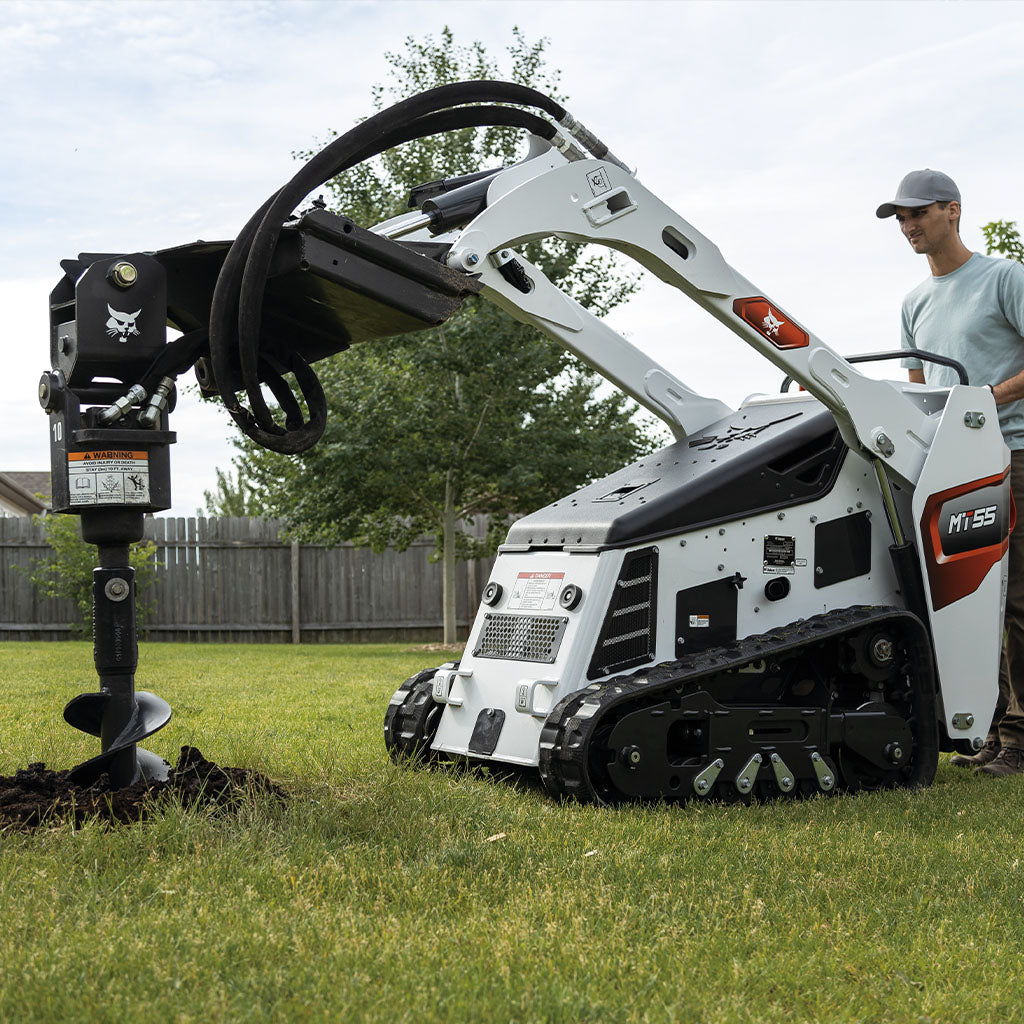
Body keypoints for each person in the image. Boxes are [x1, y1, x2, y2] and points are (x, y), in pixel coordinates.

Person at [877, 168, 1024, 775]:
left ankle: (1019, 738)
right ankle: (988, 728)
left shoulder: (1003, 278)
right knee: (967, 596)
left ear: (953, 211)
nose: (909, 226)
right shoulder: (914, 304)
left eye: (918, 213)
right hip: (951, 470)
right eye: (901, 218)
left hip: (1012, 453)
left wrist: (985, 399)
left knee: (1014, 597)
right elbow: (919, 396)